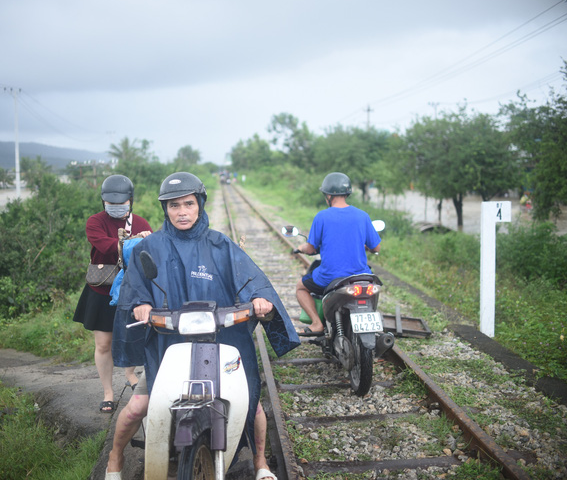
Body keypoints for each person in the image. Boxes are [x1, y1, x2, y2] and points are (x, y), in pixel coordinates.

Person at [105, 172, 300, 480]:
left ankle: (261, 462)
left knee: (252, 403)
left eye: (188, 204)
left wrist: (261, 299)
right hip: (167, 344)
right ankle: (115, 459)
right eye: (173, 206)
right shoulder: (150, 247)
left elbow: (251, 278)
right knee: (138, 406)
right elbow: (135, 288)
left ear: (200, 205)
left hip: (219, 340)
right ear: (165, 210)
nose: (181, 212)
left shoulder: (221, 246)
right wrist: (141, 304)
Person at [73, 174, 152, 413]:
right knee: (104, 343)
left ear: (130, 201)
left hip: (132, 290)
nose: (116, 207)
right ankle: (108, 392)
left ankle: (130, 374)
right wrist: (136, 241)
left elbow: (149, 255)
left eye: (121, 203)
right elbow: (105, 245)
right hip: (102, 290)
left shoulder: (141, 223)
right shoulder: (94, 222)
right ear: (103, 201)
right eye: (111, 203)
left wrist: (149, 240)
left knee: (134, 337)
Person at [295, 172, 381, 336]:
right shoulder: (363, 216)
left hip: (330, 277)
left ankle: (316, 323)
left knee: (300, 287)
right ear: (347, 193)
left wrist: (301, 247)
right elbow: (376, 248)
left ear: (328, 194)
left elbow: (312, 248)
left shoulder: (322, 216)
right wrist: (364, 246)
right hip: (361, 276)